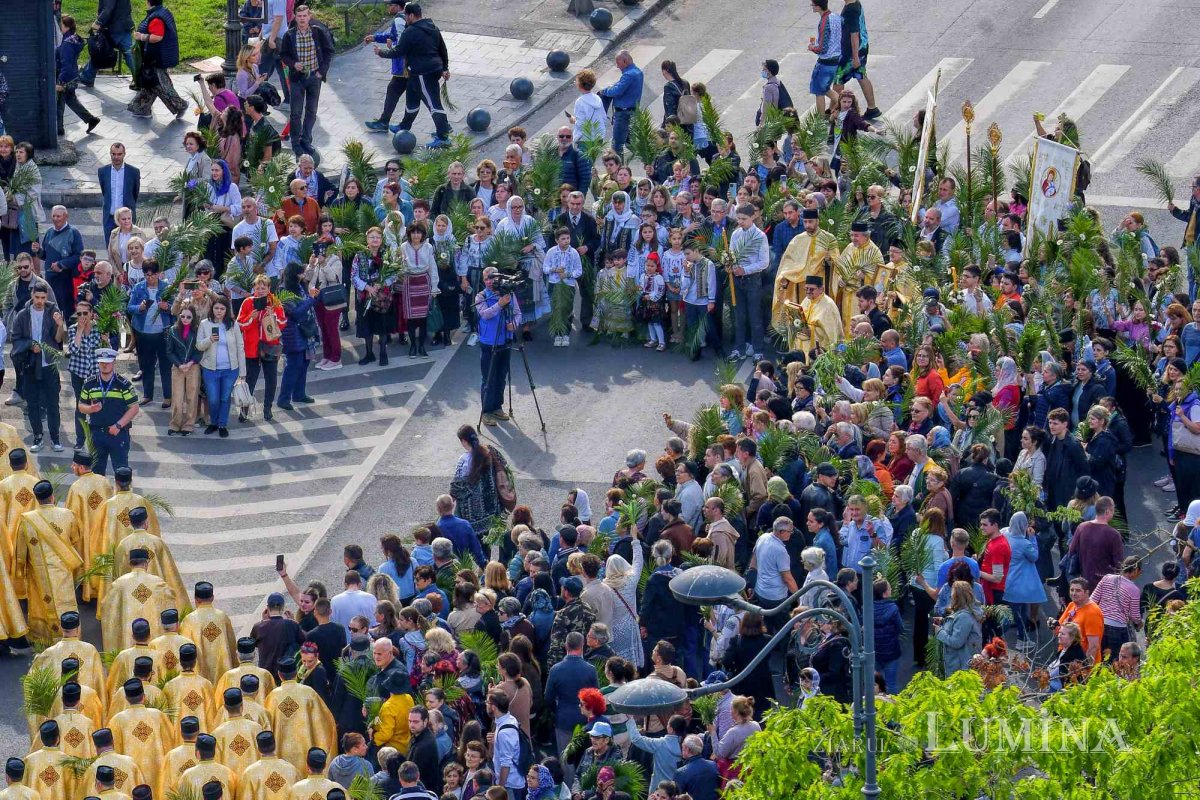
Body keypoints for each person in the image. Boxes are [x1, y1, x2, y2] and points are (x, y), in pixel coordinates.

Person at [373, 3, 453, 148]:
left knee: (434, 105)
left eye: (406, 16)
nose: (405, 19)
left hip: (423, 73)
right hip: (420, 73)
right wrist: (445, 68)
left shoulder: (411, 31)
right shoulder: (433, 27)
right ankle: (404, 126)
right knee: (412, 101)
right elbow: (443, 49)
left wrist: (381, 52)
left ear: (411, 15)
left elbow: (399, 51)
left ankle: (443, 136)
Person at [13, 480, 83, 643]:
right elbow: (75, 538)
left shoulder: (27, 520)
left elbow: (20, 554)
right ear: (52, 496)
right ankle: (71, 636)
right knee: (65, 603)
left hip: (39, 573)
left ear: (37, 499)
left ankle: (44, 638)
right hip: (63, 569)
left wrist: (20, 573)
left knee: (43, 605)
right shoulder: (67, 515)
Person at [11, 284, 65, 452]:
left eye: (43, 298)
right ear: (32, 296)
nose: (40, 301)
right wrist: (29, 345)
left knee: (53, 404)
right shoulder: (22, 315)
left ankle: (55, 439)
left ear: (47, 296)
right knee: (32, 404)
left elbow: (58, 340)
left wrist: (60, 325)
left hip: (49, 365)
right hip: (30, 365)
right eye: (37, 297)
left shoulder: (53, 312)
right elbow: (15, 338)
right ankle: (38, 437)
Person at [128, 0, 189, 119]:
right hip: (157, 56)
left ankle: (180, 105)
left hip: (156, 58)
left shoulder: (156, 17)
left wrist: (141, 36)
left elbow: (157, 37)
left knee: (159, 84)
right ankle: (141, 108)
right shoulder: (162, 12)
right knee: (150, 83)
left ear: (149, 1)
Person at [364, 0, 409, 132]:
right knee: (395, 92)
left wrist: (387, 49)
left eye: (390, 5)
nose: (388, 7)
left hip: (404, 67)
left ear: (397, 6)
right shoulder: (405, 16)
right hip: (406, 66)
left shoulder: (399, 20)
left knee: (399, 93)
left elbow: (401, 44)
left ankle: (443, 127)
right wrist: (376, 37)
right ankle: (384, 122)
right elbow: (393, 36)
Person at [55, 17, 101, 136]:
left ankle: (58, 129)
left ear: (66, 27)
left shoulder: (67, 44)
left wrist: (61, 82)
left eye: (62, 25)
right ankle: (91, 120)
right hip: (73, 76)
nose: (60, 27)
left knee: (59, 103)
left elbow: (66, 63)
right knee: (71, 100)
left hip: (65, 77)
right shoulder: (73, 39)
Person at [597, 50, 644, 157]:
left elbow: (617, 91)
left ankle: (618, 171)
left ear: (625, 61)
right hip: (632, 112)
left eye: (618, 63)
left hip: (623, 114)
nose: (617, 67)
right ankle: (647, 162)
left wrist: (604, 91)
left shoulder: (628, 75)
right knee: (631, 143)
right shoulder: (638, 72)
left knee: (617, 146)